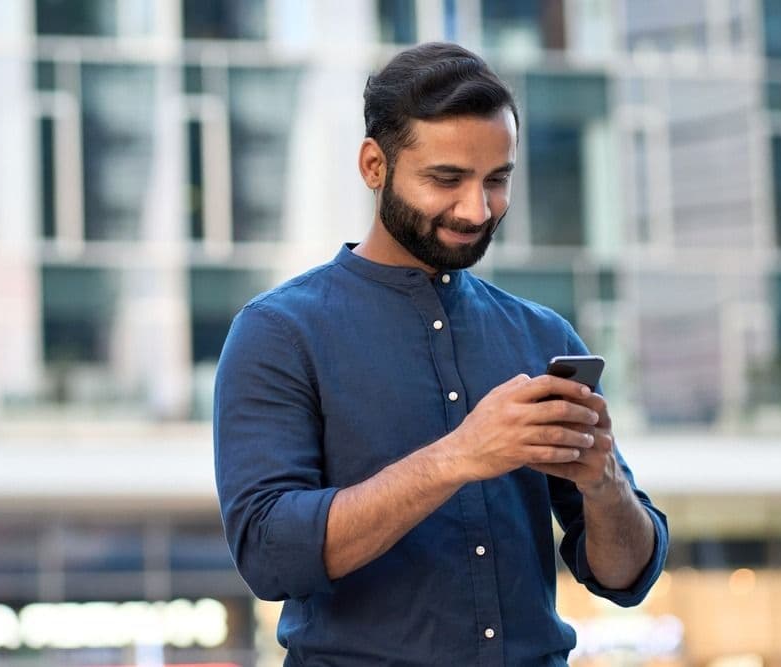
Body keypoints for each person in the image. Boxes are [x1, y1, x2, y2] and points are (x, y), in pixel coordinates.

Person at [213, 42, 669, 666]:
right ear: (374, 165)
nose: (477, 210)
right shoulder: (277, 333)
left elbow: (625, 579)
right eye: (447, 179)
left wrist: (603, 482)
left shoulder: (544, 337)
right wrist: (459, 456)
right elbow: (270, 556)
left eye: (497, 180)